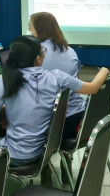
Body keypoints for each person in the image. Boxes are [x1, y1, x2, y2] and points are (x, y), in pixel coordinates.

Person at [0, 35, 109, 167]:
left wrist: (3, 108)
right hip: (42, 150)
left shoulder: (7, 79)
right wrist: (104, 71)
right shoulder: (57, 77)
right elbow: (92, 88)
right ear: (38, 59)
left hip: (14, 155)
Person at [28, 12, 83, 140]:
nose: (29, 30)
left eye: (30, 26)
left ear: (38, 29)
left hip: (50, 124)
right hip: (75, 117)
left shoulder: (37, 54)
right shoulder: (70, 51)